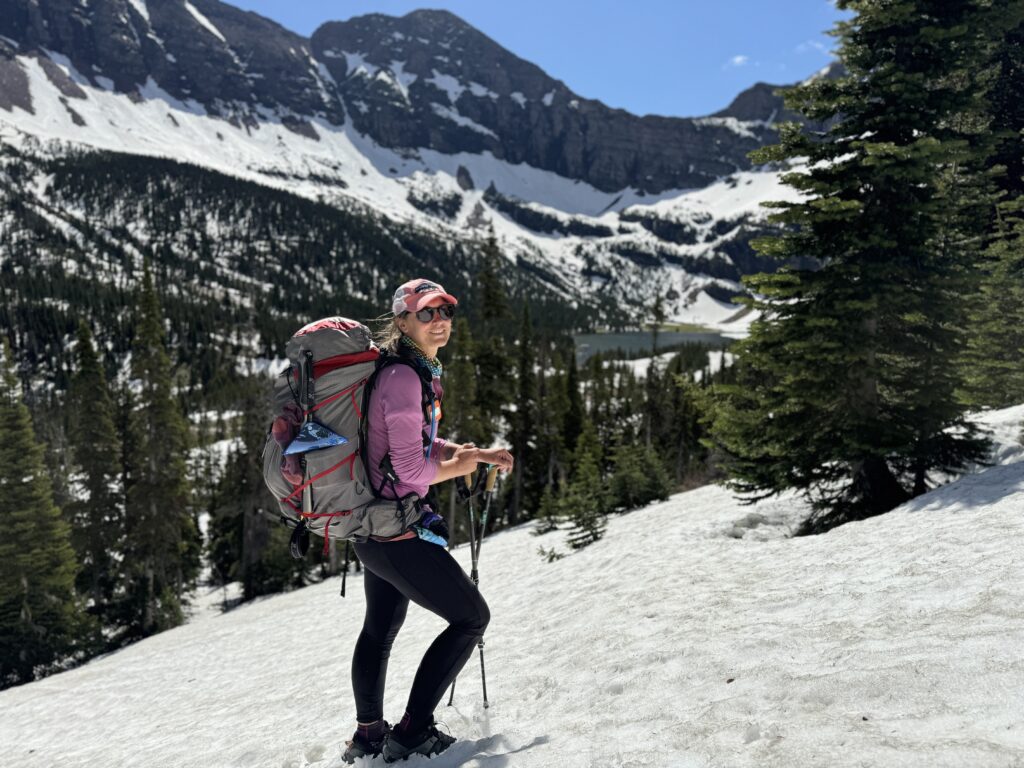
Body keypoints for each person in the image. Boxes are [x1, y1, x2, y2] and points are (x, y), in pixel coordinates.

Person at [342, 278, 514, 764]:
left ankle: (369, 736)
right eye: (426, 313)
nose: (440, 321)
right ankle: (413, 732)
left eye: (445, 312)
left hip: (373, 529)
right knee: (471, 617)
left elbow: (412, 447)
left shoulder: (412, 370)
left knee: (380, 627)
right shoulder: (402, 378)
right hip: (395, 531)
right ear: (402, 321)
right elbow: (413, 470)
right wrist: (463, 465)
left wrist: (466, 452)